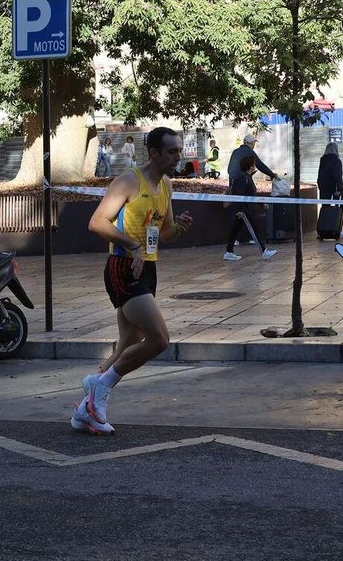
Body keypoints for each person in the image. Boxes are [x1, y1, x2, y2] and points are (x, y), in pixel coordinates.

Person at [73, 126, 194, 436]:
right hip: (123, 266)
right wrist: (132, 245)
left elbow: (164, 232)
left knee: (129, 343)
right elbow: (96, 222)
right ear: (153, 153)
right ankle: (100, 387)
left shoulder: (165, 186)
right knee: (159, 339)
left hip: (148, 268)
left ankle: (84, 409)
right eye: (171, 152)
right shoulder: (128, 181)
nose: (177, 157)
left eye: (178, 151)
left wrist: (178, 227)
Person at [223, 152, 279, 261]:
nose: (255, 166)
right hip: (243, 210)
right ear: (250, 166)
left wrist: (262, 204)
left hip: (244, 209)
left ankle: (229, 252)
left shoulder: (247, 177)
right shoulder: (242, 178)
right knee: (254, 229)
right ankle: (263, 251)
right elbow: (240, 195)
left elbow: (251, 195)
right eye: (254, 164)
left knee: (235, 230)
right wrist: (240, 210)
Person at [316, 141, 343, 241]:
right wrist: (338, 189)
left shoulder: (323, 160)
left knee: (325, 208)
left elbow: (320, 175)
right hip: (335, 188)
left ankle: (323, 230)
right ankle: (337, 229)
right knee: (340, 208)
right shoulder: (336, 160)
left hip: (324, 187)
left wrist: (321, 186)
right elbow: (337, 176)